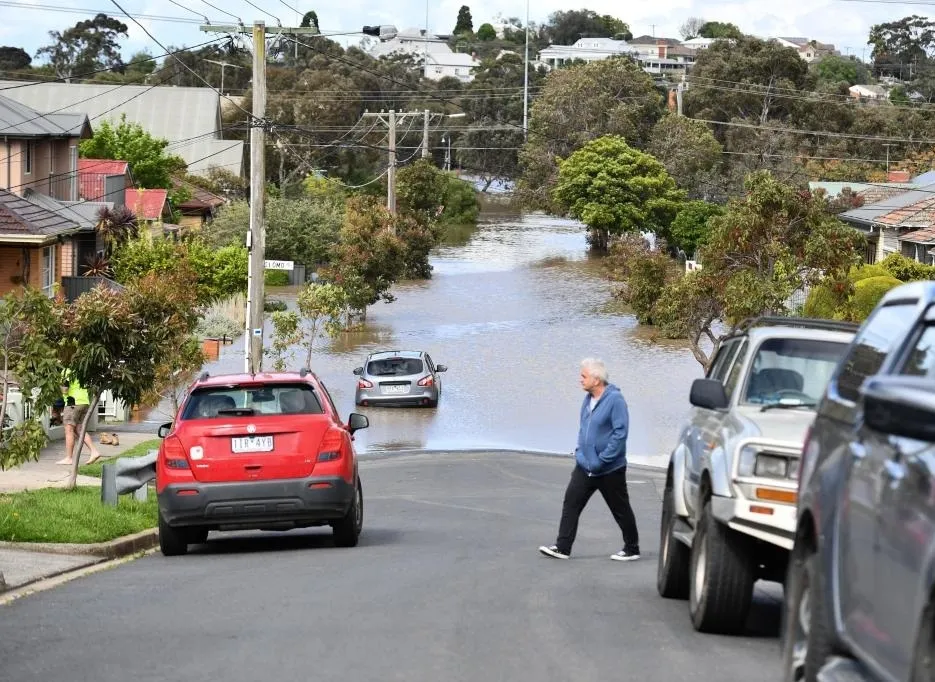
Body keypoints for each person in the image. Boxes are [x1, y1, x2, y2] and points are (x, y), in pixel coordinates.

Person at [539, 358, 640, 561]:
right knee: (571, 502)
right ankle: (562, 547)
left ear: (596, 379)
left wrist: (602, 460)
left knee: (620, 509)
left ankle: (632, 548)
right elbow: (583, 430)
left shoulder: (615, 400)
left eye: (584, 376)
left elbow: (620, 434)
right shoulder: (587, 400)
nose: (580, 379)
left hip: (610, 469)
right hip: (584, 466)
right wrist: (580, 453)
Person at [55, 371, 103, 466]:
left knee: (69, 430)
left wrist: (58, 384)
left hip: (73, 402)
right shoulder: (79, 368)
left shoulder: (66, 371)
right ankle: (94, 451)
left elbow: (65, 390)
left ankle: (69, 458)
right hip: (84, 401)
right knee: (79, 429)